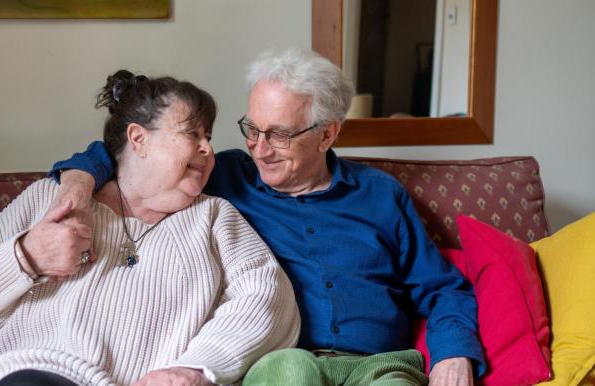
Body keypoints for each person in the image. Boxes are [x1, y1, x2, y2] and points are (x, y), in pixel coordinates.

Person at [50, 48, 487, 385]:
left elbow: (442, 288)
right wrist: (79, 179)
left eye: (278, 134)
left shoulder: (380, 195)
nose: (259, 148)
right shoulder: (225, 177)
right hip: (279, 358)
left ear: (327, 133)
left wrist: (454, 353)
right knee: (291, 371)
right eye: (252, 129)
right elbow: (127, 155)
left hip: (377, 363)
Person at [0, 70, 300, 386]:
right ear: (138, 139)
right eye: (193, 134)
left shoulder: (214, 217)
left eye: (209, 138)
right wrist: (26, 257)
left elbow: (269, 301)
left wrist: (197, 367)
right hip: (29, 374)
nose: (208, 150)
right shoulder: (52, 199)